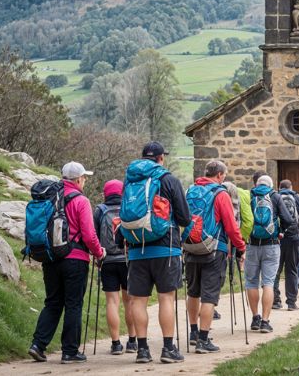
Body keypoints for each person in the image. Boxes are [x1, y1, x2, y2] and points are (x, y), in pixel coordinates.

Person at [118, 142, 190, 364]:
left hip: (137, 248)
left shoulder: (129, 180)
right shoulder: (168, 179)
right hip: (165, 247)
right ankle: (168, 348)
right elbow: (185, 218)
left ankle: (142, 350)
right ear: (160, 158)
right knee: (166, 298)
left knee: (138, 300)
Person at [28, 162, 106, 364]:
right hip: (75, 260)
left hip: (50, 257)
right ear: (78, 179)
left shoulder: (50, 196)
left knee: (53, 302)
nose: (85, 181)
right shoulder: (81, 200)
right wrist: (99, 253)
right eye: (84, 177)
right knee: (73, 304)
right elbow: (89, 235)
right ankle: (70, 352)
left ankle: (38, 345)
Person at [184, 161, 246, 354]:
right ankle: (203, 339)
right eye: (224, 175)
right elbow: (230, 226)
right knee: (209, 295)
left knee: (193, 292)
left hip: (191, 247)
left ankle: (193, 332)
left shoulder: (190, 191)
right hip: (214, 249)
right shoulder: (221, 194)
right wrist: (241, 247)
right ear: (219, 175)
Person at [245, 174, 295, 333]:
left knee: (251, 282)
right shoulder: (275, 196)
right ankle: (265, 322)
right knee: (268, 283)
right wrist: (280, 231)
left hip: (252, 245)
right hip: (271, 245)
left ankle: (255, 318)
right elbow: (288, 219)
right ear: (270, 185)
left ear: (257, 184)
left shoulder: (249, 195)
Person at [93, 179, 137, 355]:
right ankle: (133, 341)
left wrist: (97, 257)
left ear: (106, 193)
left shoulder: (100, 210)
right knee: (130, 302)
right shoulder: (129, 208)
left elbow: (94, 235)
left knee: (112, 301)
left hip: (107, 261)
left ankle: (116, 343)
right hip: (128, 261)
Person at [272, 179, 299, 310]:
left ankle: (275, 300)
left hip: (277, 238)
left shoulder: (275, 197)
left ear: (279, 187)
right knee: (292, 270)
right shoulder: (298, 198)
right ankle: (291, 302)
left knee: (276, 270)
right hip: (293, 238)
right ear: (291, 187)